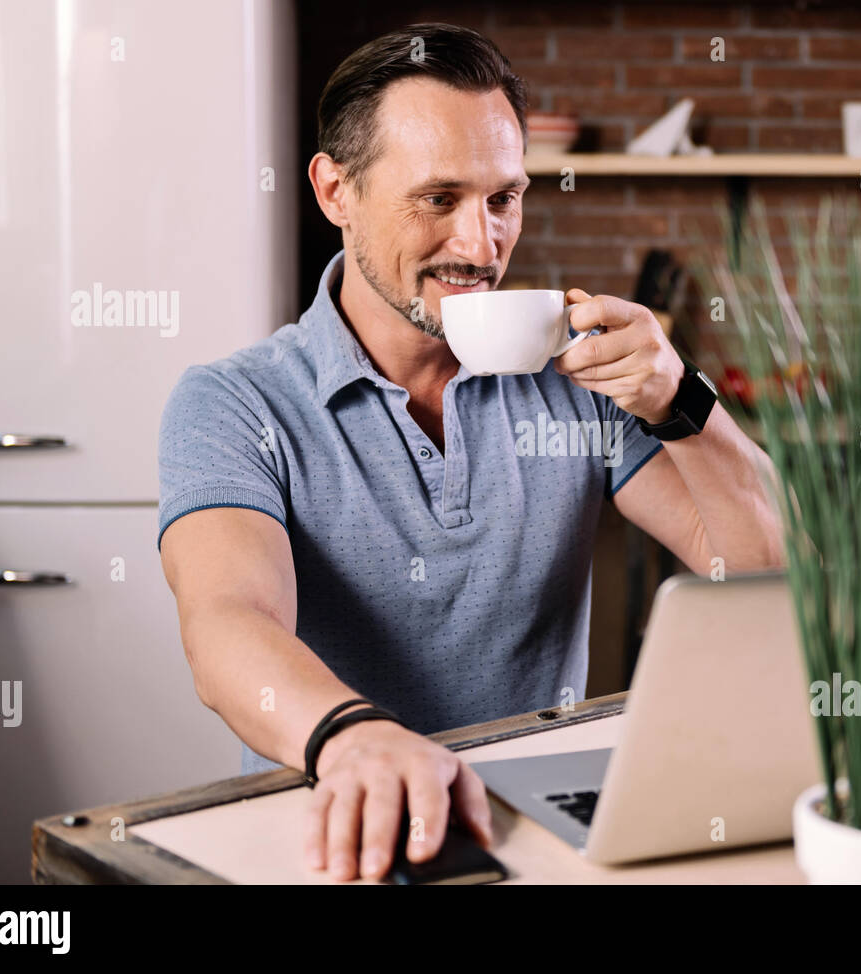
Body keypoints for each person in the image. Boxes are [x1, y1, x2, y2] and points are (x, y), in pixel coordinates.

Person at [157, 22, 781, 883]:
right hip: (334, 824)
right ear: (335, 190)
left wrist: (684, 402)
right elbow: (227, 624)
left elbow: (772, 575)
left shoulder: (574, 377)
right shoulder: (234, 401)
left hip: (538, 834)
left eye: (503, 199)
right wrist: (357, 738)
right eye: (438, 198)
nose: (482, 246)